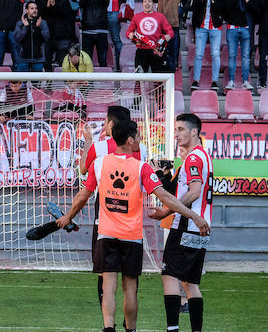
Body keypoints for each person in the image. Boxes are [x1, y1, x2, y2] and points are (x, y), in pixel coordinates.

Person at [57, 119, 210, 332]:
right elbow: (166, 197)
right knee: (130, 289)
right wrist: (193, 215)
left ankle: (109, 328)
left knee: (108, 286)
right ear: (130, 141)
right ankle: (131, 330)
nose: (140, 139)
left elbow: (82, 196)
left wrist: (67, 217)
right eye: (138, 136)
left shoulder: (99, 164)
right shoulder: (141, 168)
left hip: (106, 234)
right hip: (131, 236)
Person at [153, 114, 213, 332]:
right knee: (190, 283)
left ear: (194, 131)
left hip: (186, 225)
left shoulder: (194, 158)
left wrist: (167, 211)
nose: (176, 134)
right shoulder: (203, 156)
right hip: (200, 228)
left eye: (180, 129)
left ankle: (172, 329)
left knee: (169, 276)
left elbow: (195, 191)